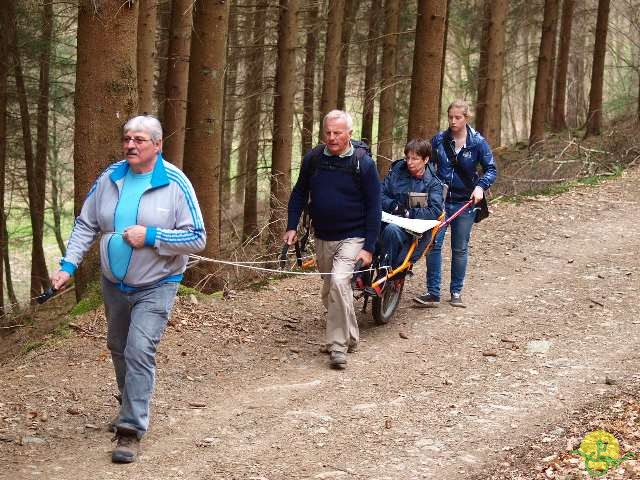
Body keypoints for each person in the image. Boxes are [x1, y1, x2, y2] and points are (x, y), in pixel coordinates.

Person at [50, 115, 206, 463]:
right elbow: (86, 224)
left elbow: (197, 237)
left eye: (139, 139)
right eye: (127, 139)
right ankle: (129, 404)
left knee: (139, 349)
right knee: (118, 346)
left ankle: (130, 430)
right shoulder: (110, 178)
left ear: (157, 145)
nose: (131, 145)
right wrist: (67, 267)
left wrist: (151, 235)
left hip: (158, 284)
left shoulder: (175, 183)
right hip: (114, 283)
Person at [284, 110, 381, 370]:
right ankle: (350, 335)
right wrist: (292, 226)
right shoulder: (314, 159)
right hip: (323, 236)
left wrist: (369, 247)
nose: (332, 137)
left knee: (340, 282)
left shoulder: (364, 164)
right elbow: (299, 193)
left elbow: (374, 207)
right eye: (328, 132)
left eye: (337, 133)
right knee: (331, 291)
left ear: (349, 133)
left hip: (353, 236)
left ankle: (337, 347)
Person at [414, 99, 497, 308]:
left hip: (465, 203)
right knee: (433, 244)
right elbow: (429, 164)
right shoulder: (439, 140)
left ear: (466, 118)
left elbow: (491, 169)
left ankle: (456, 292)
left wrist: (481, 187)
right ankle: (433, 293)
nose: (453, 121)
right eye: (450, 117)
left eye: (457, 118)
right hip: (439, 202)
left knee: (459, 248)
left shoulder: (477, 142)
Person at [380, 139, 443, 269]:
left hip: (413, 230)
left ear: (425, 160)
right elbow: (380, 194)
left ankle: (383, 275)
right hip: (389, 218)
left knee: (392, 230)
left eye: (415, 159)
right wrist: (393, 206)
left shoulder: (433, 183)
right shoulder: (396, 174)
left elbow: (435, 211)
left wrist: (409, 213)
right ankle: (361, 272)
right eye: (407, 158)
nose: (409, 162)